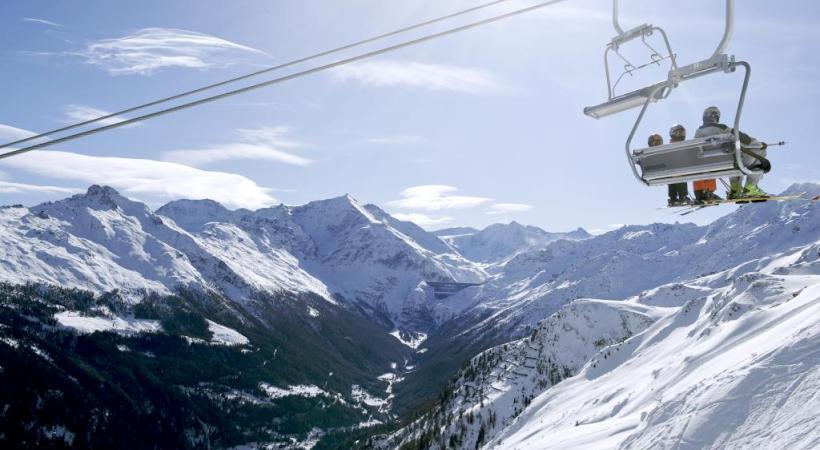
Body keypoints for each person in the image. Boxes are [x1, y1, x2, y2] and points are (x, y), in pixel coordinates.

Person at [695, 106, 769, 199]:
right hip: (730, 164)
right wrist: (760, 145)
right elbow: (746, 140)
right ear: (716, 117)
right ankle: (751, 187)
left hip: (713, 167)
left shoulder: (697, 134)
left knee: (731, 159)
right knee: (759, 154)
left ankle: (735, 189)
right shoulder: (723, 129)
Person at [667, 124, 692, 206]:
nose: (680, 135)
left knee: (677, 175)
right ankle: (682, 196)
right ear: (673, 134)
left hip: (670, 172)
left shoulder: (667, 146)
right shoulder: (682, 146)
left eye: (681, 133)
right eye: (678, 133)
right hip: (677, 171)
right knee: (680, 174)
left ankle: (673, 198)